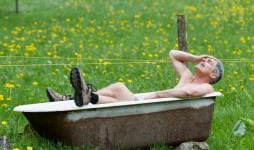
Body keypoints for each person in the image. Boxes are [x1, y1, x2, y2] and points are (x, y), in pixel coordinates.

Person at [46, 50, 224, 107]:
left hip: (153, 107)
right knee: (118, 87)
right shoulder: (187, 76)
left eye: (208, 62)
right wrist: (194, 57)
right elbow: (173, 54)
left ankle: (78, 99)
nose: (204, 60)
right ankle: (82, 97)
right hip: (149, 103)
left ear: (213, 74)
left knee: (119, 92)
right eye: (204, 58)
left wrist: (157, 95)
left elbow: (190, 93)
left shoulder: (208, 89)